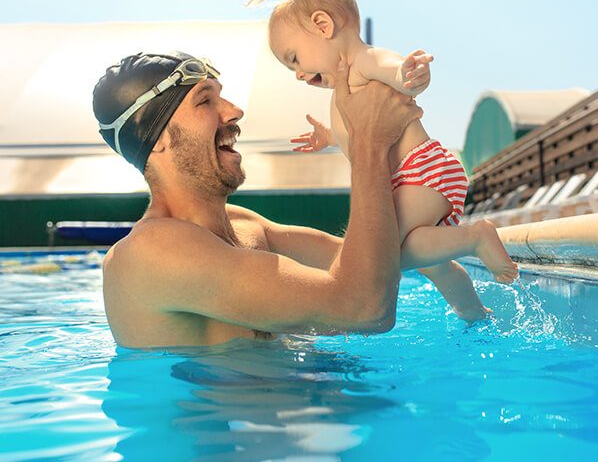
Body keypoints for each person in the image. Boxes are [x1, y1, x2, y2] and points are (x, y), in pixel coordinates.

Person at [92, 50, 425, 348]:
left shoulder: (242, 224)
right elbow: (364, 306)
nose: (234, 111)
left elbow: (379, 263)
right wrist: (370, 142)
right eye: (205, 101)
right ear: (158, 137)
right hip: (261, 416)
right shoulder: (149, 253)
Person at [248, 0, 519, 320]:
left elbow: (393, 70)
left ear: (323, 25)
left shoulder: (363, 61)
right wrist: (329, 137)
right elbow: (359, 133)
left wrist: (410, 72)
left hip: (421, 170)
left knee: (386, 254)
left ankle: (476, 238)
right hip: (412, 178)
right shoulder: (345, 90)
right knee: (435, 266)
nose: (298, 74)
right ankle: (475, 313)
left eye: (295, 58)